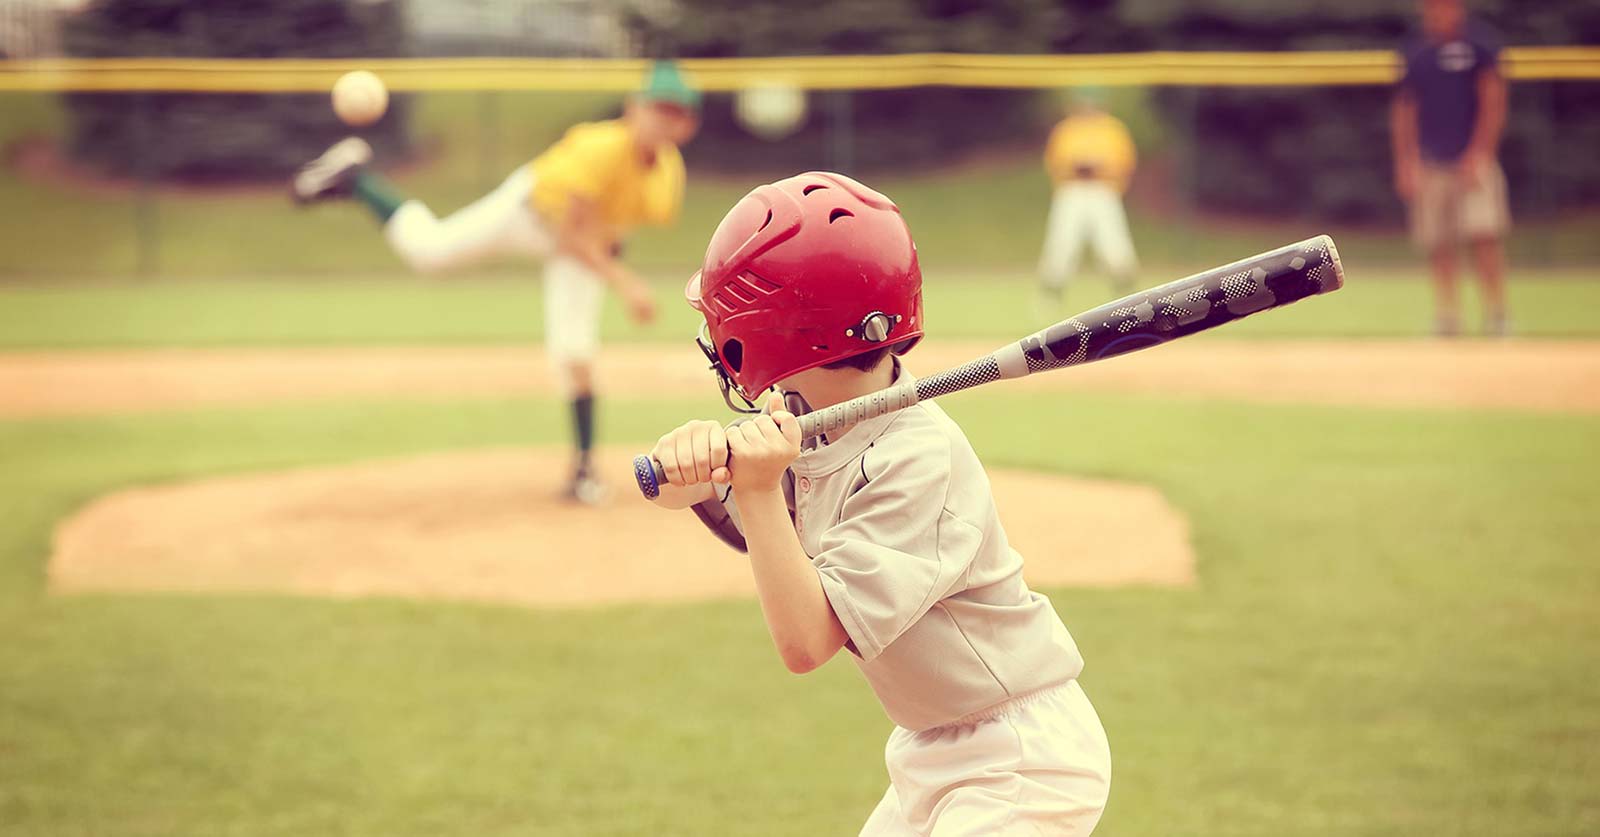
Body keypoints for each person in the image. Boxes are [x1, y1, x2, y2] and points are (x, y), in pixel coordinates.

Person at [647, 172, 1112, 835]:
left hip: (1018, 757)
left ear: (776, 332)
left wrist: (752, 487)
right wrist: (691, 469)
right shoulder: (812, 421)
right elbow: (742, 515)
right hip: (932, 748)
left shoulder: (917, 460)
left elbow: (807, 640)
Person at [291, 61, 701, 503]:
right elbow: (570, 235)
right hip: (528, 213)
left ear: (688, 125)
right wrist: (625, 283)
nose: (664, 119)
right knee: (430, 251)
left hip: (580, 244)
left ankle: (583, 472)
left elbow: (612, 227)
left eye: (675, 112)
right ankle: (357, 179)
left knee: (575, 350)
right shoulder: (600, 147)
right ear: (633, 108)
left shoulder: (667, 176)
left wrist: (612, 263)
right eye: (657, 108)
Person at [1391, 0, 1511, 337]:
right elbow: (1405, 109)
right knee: (1439, 240)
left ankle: (1497, 314)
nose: (1438, 13)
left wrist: (1481, 153)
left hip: (1472, 162)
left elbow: (1493, 100)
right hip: (1431, 163)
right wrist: (1406, 160)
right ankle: (1448, 317)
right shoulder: (1416, 50)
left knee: (1484, 234)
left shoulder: (1480, 45)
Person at [1038, 88, 1139, 309]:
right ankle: (1051, 297)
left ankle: (1127, 297)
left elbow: (1125, 162)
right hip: (1072, 191)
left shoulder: (1113, 129)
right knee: (1062, 245)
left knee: (1114, 246)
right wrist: (1076, 166)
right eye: (1084, 104)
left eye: (1092, 104)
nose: (1088, 109)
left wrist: (1100, 166)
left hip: (1103, 191)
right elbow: (1055, 162)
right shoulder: (1066, 130)